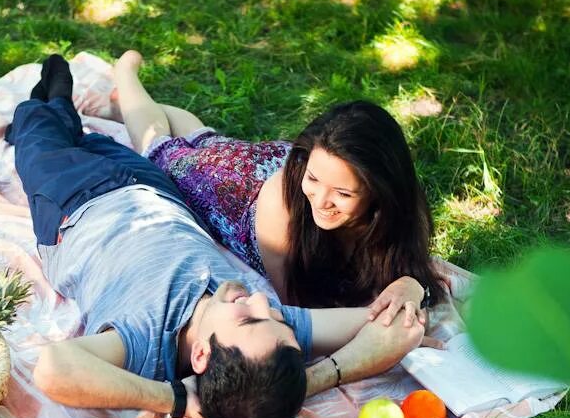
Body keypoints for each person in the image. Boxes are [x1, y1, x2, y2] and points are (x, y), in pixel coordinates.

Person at [6, 55, 425, 418]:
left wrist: (174, 399)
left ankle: (54, 103)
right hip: (155, 190)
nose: (262, 303)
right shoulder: (267, 336)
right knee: (131, 143)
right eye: (274, 318)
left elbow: (54, 367)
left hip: (76, 203)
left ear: (202, 355)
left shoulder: (144, 340)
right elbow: (399, 325)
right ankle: (80, 119)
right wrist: (409, 288)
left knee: (40, 133)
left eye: (250, 319)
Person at [110, 50, 447, 326]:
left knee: (209, 141)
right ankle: (125, 74)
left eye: (343, 194)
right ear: (307, 158)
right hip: (234, 187)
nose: (322, 202)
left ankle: (130, 105)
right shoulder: (284, 212)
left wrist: (411, 285)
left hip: (276, 163)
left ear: (381, 192)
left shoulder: (399, 210)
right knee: (162, 150)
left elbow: (415, 271)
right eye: (314, 180)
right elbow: (299, 311)